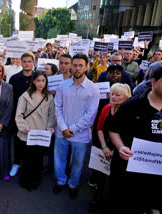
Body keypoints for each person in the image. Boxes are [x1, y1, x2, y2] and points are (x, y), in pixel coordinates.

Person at [108, 66, 162, 214]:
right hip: (131, 176)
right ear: (153, 82)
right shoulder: (132, 105)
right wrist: (120, 147)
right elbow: (113, 130)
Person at [53, 54, 100, 198]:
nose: (77, 68)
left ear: (86, 67)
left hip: (80, 134)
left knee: (78, 163)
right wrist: (63, 128)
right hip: (62, 132)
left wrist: (72, 129)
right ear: (70, 66)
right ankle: (61, 181)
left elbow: (90, 115)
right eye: (75, 65)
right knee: (59, 159)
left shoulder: (93, 89)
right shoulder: (62, 85)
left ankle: (73, 184)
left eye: (81, 65)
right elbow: (57, 108)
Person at [92, 83, 131, 212]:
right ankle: (98, 199)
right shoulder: (106, 108)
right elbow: (99, 128)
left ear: (126, 97)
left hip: (119, 151)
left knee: (115, 180)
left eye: (118, 95)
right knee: (100, 175)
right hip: (103, 146)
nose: (113, 97)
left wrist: (116, 149)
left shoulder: (128, 112)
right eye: (112, 94)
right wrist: (104, 147)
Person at [15, 71, 56, 191]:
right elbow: (19, 115)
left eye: (43, 81)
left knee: (38, 160)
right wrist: (24, 127)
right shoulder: (25, 96)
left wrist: (49, 128)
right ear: (33, 81)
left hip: (41, 135)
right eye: (38, 81)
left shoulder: (49, 97)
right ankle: (25, 181)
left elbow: (52, 116)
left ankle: (36, 180)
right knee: (28, 159)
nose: (41, 83)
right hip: (28, 133)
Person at [8, 52, 35, 177]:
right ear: (21, 62)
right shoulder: (14, 78)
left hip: (35, 116)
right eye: (24, 61)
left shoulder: (38, 77)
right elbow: (11, 98)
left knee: (32, 142)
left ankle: (29, 165)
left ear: (33, 62)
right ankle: (16, 163)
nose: (26, 63)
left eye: (29, 61)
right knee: (19, 141)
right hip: (18, 115)